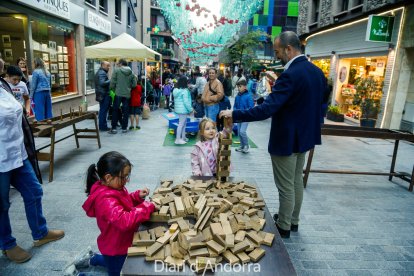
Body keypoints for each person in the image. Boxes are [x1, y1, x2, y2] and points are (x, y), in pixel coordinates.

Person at [220, 31, 326, 238]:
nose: (276, 56)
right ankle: (293, 221)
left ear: (288, 49)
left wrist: (234, 113)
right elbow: (317, 105)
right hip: (304, 138)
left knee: (285, 186)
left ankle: (284, 225)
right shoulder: (316, 72)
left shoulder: (290, 74)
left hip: (286, 139)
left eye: (277, 51)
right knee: (296, 181)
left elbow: (267, 111)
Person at [0, 57, 64, 264]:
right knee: (1, 205)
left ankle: (40, 232)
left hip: (18, 154)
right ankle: (7, 244)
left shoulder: (3, 85)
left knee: (34, 191)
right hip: (0, 160)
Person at [71, 151, 156, 276]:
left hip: (118, 242)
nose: (126, 180)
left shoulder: (115, 187)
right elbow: (124, 220)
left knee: (114, 263)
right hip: (116, 248)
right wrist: (147, 207)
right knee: (118, 270)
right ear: (108, 177)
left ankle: (92, 258)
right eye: (124, 177)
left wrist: (137, 196)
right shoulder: (106, 200)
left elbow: (124, 203)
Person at [109, 59, 137, 134]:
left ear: (121, 64)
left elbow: (112, 82)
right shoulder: (131, 72)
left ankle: (114, 128)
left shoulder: (116, 71)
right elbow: (134, 84)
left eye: (118, 64)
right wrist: (128, 88)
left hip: (118, 93)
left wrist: (113, 89)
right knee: (125, 111)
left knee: (115, 110)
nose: (117, 65)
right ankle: (124, 128)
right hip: (127, 94)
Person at [233, 79, 254, 153]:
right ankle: (242, 146)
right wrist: (236, 112)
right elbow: (235, 106)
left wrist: (244, 112)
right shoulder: (237, 96)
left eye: (240, 86)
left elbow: (251, 107)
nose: (238, 88)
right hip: (239, 117)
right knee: (239, 132)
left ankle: (246, 146)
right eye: (238, 86)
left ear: (245, 87)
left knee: (242, 131)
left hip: (246, 117)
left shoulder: (249, 96)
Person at [173, 76, 193, 145]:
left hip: (179, 109)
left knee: (183, 124)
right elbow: (186, 102)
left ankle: (183, 137)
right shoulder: (185, 91)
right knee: (181, 124)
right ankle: (178, 139)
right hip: (183, 110)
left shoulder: (176, 90)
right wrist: (191, 109)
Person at [95, 61, 111, 131]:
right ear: (103, 65)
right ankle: (103, 126)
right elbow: (102, 83)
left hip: (101, 94)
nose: (109, 67)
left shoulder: (100, 72)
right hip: (103, 94)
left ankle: (102, 125)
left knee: (102, 110)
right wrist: (110, 80)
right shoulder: (102, 73)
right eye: (107, 66)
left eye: (109, 66)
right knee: (103, 111)